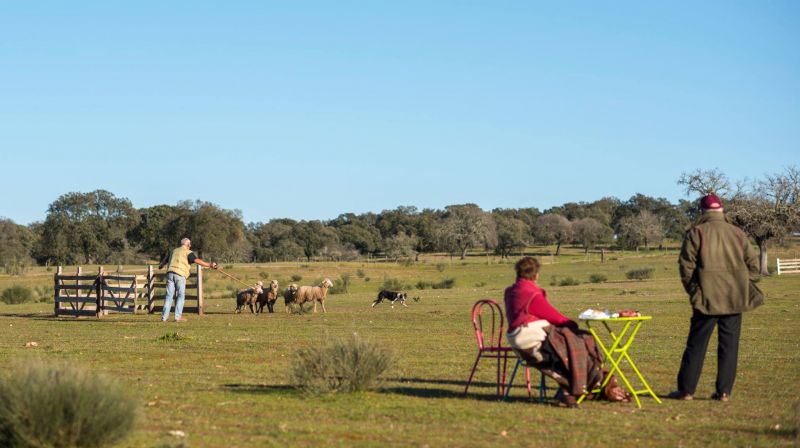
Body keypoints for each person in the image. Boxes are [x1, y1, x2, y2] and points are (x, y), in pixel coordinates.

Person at [668, 194, 763, 402]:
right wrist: (743, 284)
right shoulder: (737, 233)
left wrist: (695, 291)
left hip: (706, 299)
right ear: (721, 210)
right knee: (729, 346)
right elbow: (754, 267)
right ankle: (724, 392)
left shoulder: (697, 232)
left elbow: (686, 267)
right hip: (734, 298)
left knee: (696, 345)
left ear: (702, 212)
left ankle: (686, 391)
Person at [504, 257, 604, 407]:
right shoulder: (531, 293)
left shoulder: (510, 291)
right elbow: (553, 316)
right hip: (530, 338)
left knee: (562, 346)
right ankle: (578, 386)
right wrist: (572, 325)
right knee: (574, 342)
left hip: (514, 338)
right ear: (536, 274)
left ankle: (570, 389)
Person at [158, 238, 218, 322]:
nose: (191, 245)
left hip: (169, 274)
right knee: (180, 296)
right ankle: (177, 317)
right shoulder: (188, 252)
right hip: (180, 274)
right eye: (190, 244)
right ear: (188, 244)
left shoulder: (174, 251)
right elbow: (196, 260)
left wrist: (161, 266)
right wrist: (210, 265)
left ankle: (164, 318)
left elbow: (164, 261)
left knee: (169, 296)